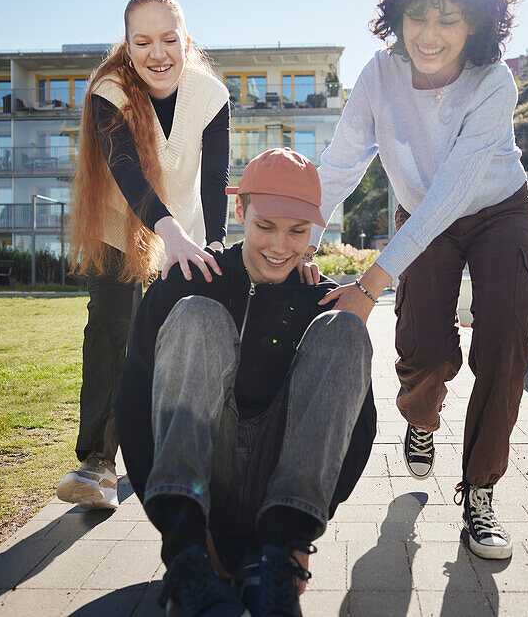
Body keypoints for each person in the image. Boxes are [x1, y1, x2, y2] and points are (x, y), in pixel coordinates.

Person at [310, 0, 528, 561]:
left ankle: (481, 492)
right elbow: (341, 164)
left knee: (505, 343)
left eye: (448, 18)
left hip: (496, 211)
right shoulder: (378, 76)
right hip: (423, 213)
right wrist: (298, 236)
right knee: (424, 349)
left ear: (477, 24)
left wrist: (368, 284)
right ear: (397, 14)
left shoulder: (493, 84)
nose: (428, 35)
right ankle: (421, 420)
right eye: (417, 15)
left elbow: (452, 195)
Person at [114, 148, 376, 617]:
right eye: (265, 227)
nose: (280, 246)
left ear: (313, 230)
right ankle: (190, 563)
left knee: (347, 329)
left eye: (297, 232)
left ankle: (273, 560)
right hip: (199, 488)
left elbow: (356, 427)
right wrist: (177, 531)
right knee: (197, 314)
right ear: (241, 212)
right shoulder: (190, 277)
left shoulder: (320, 298)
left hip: (279, 496)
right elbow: (133, 402)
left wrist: (296, 539)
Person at [59, 0, 230, 510]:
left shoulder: (211, 95)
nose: (158, 53)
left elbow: (215, 177)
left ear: (185, 40)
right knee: (113, 330)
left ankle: (168, 450)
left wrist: (216, 240)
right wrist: (166, 229)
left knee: (169, 340)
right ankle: (98, 465)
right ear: (128, 48)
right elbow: (125, 168)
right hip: (119, 227)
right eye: (143, 41)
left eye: (169, 39)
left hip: (183, 233)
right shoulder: (109, 90)